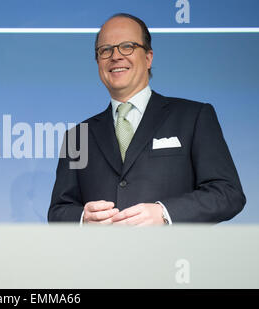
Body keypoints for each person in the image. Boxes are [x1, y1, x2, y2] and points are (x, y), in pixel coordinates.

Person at [48, 13, 245, 225]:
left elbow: (227, 193)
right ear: (98, 62)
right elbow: (59, 211)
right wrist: (83, 219)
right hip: (103, 256)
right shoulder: (78, 136)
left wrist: (165, 213)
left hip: (174, 256)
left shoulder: (194, 116)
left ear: (148, 57)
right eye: (105, 50)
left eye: (127, 46)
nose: (115, 56)